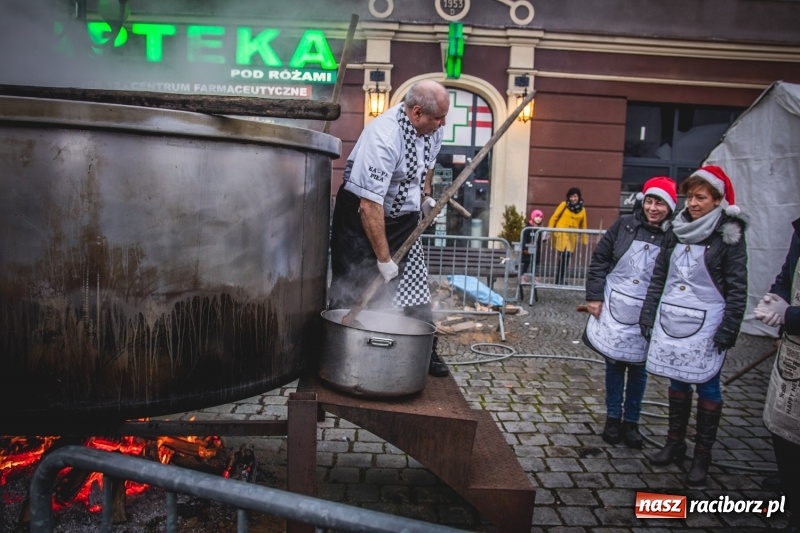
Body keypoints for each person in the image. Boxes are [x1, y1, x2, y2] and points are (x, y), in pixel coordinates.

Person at [328, 80, 450, 377]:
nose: (443, 123)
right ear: (417, 112)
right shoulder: (383, 136)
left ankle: (424, 351)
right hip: (359, 220)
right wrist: (384, 260)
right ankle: (340, 351)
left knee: (415, 288)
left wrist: (424, 197)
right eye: (438, 118)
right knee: (352, 286)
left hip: (403, 220)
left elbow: (428, 164)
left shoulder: (433, 127)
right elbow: (370, 206)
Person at [639, 165, 748, 487]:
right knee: (678, 382)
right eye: (690, 197)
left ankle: (702, 456)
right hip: (674, 320)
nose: (694, 203)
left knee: (708, 387)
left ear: (718, 199)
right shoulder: (677, 229)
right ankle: (674, 443)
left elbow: (737, 287)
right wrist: (649, 316)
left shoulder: (729, 235)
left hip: (709, 324)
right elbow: (659, 277)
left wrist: (729, 328)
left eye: (701, 197)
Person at [583, 177, 677, 449]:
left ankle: (632, 422)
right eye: (649, 200)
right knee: (614, 364)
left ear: (670, 206)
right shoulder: (623, 224)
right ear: (642, 201)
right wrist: (594, 296)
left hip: (647, 311)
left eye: (660, 203)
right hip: (615, 305)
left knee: (638, 368)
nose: (653, 208)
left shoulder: (675, 235)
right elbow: (600, 259)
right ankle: (613, 418)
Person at [754, 218, 800, 533]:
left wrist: (790, 315)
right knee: (783, 431)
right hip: (793, 352)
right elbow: (787, 274)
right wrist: (775, 299)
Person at [548, 188, 588, 284]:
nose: (573, 199)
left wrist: (584, 239)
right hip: (561, 234)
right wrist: (549, 230)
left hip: (571, 237)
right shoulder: (564, 205)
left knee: (565, 258)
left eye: (575, 196)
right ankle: (559, 279)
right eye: (571, 197)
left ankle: (560, 279)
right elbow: (555, 217)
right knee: (564, 256)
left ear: (579, 197)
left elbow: (583, 224)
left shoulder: (582, 209)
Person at [520, 209, 546, 278]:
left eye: (540, 217)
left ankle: (533, 278)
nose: (538, 219)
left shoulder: (540, 228)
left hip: (536, 250)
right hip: (528, 250)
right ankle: (523, 277)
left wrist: (544, 238)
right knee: (526, 264)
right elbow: (524, 238)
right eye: (537, 217)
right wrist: (525, 248)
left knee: (534, 265)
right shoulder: (528, 227)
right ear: (533, 217)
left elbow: (540, 240)